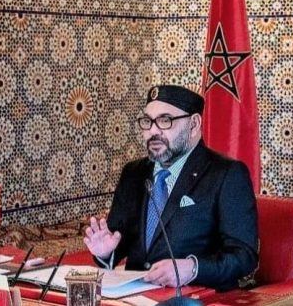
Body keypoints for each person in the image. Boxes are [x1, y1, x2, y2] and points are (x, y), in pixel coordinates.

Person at [83, 84, 258, 291]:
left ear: (194, 124)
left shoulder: (226, 174)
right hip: (135, 295)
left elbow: (244, 257)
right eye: (147, 121)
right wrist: (105, 253)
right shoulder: (133, 173)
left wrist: (193, 268)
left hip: (195, 297)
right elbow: (117, 242)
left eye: (165, 120)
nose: (153, 131)